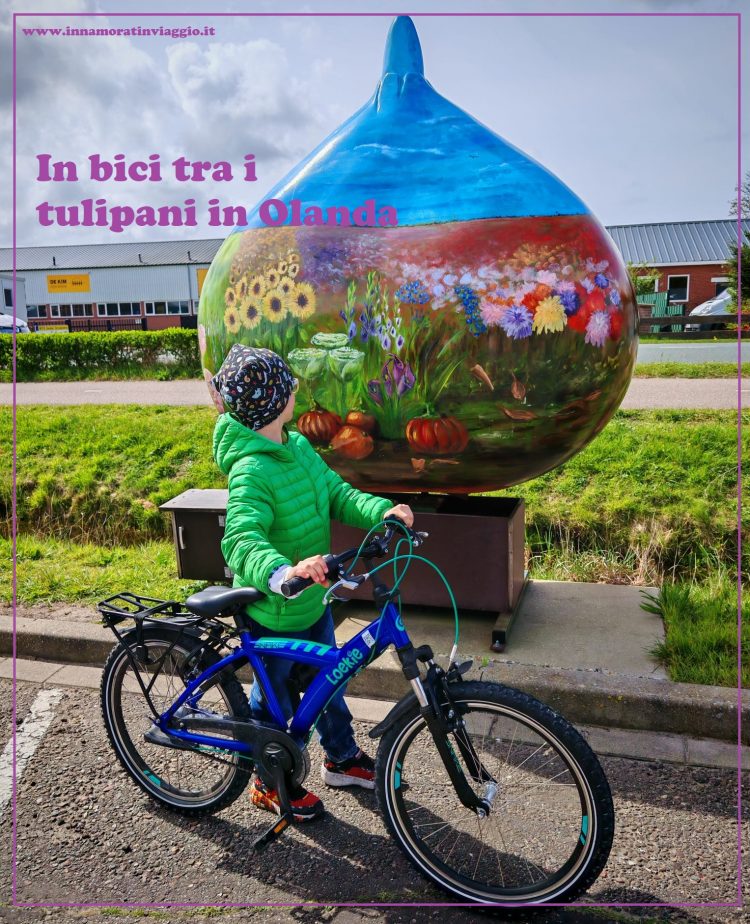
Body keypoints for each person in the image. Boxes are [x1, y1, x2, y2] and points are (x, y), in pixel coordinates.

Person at [212, 344, 413, 822]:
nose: (296, 391)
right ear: (273, 401)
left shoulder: (298, 446)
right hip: (274, 611)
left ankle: (341, 758)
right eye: (289, 387)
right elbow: (240, 539)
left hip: (313, 604)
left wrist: (381, 511)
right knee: (276, 705)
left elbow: (337, 494)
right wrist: (287, 571)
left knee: (330, 684)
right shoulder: (250, 471)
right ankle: (267, 782)